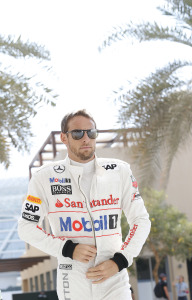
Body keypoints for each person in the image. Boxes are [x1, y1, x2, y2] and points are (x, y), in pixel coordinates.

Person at [18, 109, 151, 300]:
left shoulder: (119, 171)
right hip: (73, 280)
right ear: (64, 138)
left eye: (91, 133)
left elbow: (141, 220)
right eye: (78, 133)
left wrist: (121, 260)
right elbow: (26, 228)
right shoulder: (44, 177)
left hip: (114, 277)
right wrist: (67, 248)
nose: (86, 138)